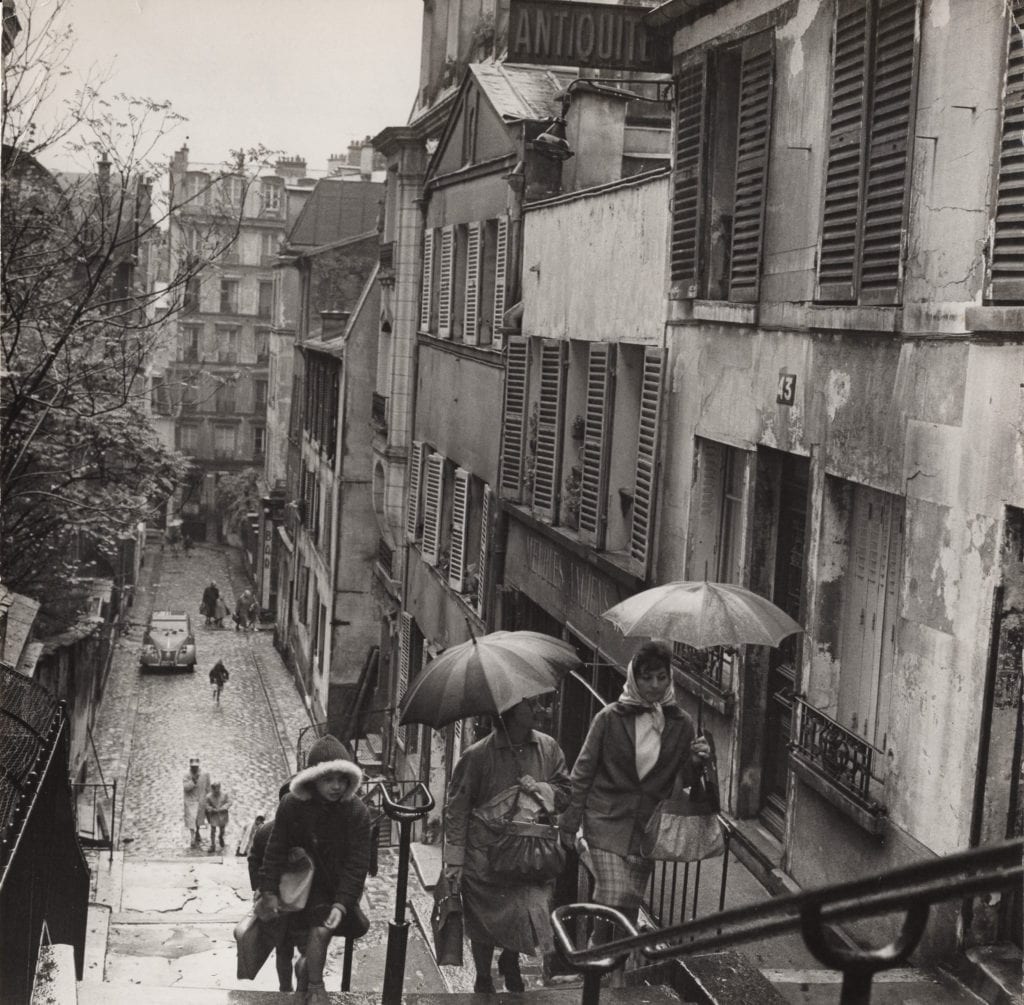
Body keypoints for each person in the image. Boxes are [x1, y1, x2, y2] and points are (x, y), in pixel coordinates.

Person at [557, 642, 711, 938]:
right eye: (647, 677)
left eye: (661, 678)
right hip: (605, 822)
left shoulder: (682, 724)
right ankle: (596, 956)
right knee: (614, 894)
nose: (654, 685)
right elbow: (583, 772)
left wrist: (696, 760)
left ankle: (609, 970)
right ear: (633, 677)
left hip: (646, 828)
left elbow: (684, 780)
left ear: (670, 678)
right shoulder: (610, 718)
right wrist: (569, 821)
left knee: (626, 913)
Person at [443, 699, 571, 993]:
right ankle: (483, 976)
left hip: (529, 851)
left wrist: (541, 789)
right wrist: (455, 861)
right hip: (483, 853)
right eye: (529, 706)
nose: (538, 709)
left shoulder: (548, 748)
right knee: (483, 918)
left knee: (522, 910)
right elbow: (458, 808)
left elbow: (566, 792)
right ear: (509, 713)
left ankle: (511, 960)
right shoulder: (477, 756)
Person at [258, 735, 371, 1005]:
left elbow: (357, 864)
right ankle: (301, 982)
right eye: (328, 779)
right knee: (298, 943)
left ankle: (314, 988)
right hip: (297, 886)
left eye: (342, 779)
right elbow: (274, 848)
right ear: (313, 779)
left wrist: (343, 904)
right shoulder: (292, 805)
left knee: (321, 931)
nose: (336, 786)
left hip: (333, 887)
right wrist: (268, 891)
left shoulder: (356, 812)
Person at [248, 782, 298, 992]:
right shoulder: (267, 831)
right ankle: (287, 990)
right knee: (285, 950)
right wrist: (260, 888)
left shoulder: (267, 829)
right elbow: (254, 859)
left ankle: (292, 990)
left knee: (290, 950)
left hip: (301, 900)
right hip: (280, 901)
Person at [183, 757, 211, 848]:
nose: (194, 768)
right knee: (191, 819)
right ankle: (192, 836)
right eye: (192, 767)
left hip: (201, 800)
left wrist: (209, 800)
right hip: (190, 801)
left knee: (199, 819)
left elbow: (208, 787)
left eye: (196, 767)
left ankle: (198, 832)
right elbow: (186, 787)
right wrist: (193, 781)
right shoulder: (186, 774)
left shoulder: (205, 774)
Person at [205, 780, 231, 851]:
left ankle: (220, 837)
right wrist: (211, 809)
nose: (216, 791)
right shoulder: (208, 796)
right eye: (214, 789)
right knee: (213, 830)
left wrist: (223, 808)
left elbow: (229, 802)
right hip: (214, 815)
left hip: (222, 815)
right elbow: (206, 805)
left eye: (218, 788)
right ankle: (213, 845)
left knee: (222, 830)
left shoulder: (224, 794)